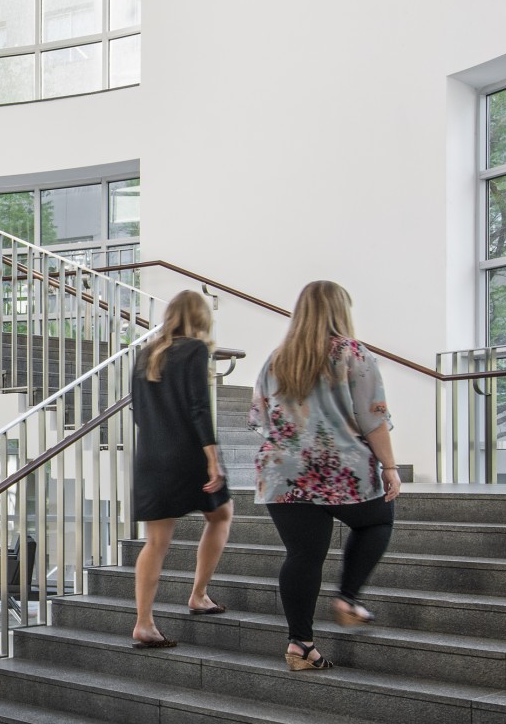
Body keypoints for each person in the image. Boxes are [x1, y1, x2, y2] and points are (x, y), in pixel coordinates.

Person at [250, 281, 400, 672]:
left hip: (283, 471)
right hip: (341, 468)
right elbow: (373, 418)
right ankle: (347, 599)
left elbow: (261, 418)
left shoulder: (277, 358)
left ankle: (300, 645)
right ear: (339, 310)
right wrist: (389, 466)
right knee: (378, 520)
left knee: (303, 555)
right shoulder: (352, 352)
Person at [129, 290, 232, 649]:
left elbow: (138, 411)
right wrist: (212, 458)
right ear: (200, 317)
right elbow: (199, 408)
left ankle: (144, 623)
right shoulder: (195, 349)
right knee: (221, 515)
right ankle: (198, 594)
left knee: (156, 542)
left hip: (150, 456)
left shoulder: (146, 353)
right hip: (187, 454)